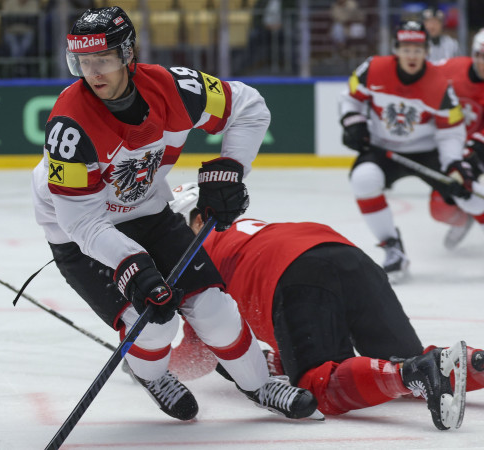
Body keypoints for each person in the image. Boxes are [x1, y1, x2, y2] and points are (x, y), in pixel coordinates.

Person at [31, 6, 320, 423]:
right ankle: (151, 375)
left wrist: (230, 169)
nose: (93, 73)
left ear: (128, 54)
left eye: (103, 59)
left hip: (148, 212)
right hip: (81, 235)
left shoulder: (176, 89)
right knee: (154, 324)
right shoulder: (69, 129)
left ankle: (259, 386)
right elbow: (81, 222)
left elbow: (249, 106)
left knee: (214, 309)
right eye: (83, 62)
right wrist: (131, 263)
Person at [166, 182, 479, 431]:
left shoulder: (196, 259)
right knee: (401, 360)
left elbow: (200, 354)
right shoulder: (243, 232)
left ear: (199, 220)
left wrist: (154, 367)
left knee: (318, 385)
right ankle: (466, 363)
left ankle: (413, 372)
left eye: (172, 233)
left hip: (297, 273)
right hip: (346, 254)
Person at [338, 20, 484, 282]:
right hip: (382, 149)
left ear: (427, 51)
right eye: (406, 49)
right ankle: (392, 248)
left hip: (427, 151)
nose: (412, 56)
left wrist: (453, 163)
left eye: (418, 50)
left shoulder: (440, 84)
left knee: (466, 191)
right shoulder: (372, 69)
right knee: (363, 179)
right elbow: (350, 97)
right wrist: (353, 121)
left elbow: (450, 131)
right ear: (396, 49)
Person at [429, 28, 484, 249]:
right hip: (454, 147)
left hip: (478, 147)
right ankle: (465, 219)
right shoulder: (450, 68)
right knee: (440, 207)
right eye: (480, 55)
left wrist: (474, 147)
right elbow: (421, 80)